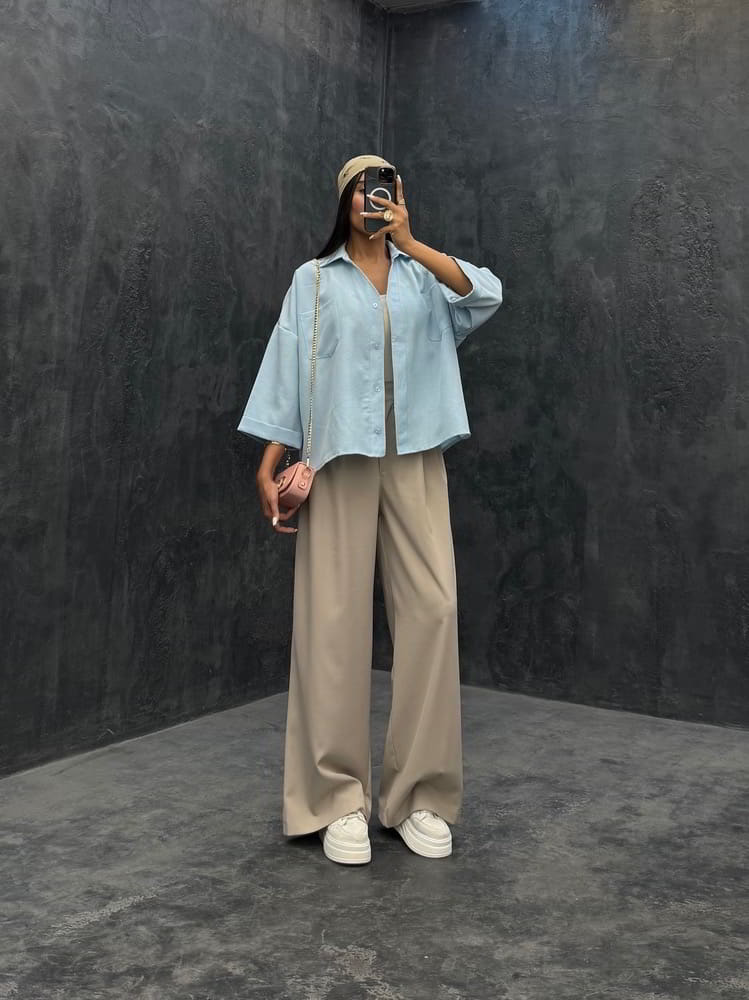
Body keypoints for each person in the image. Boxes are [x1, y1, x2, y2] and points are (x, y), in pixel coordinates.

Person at [237, 154, 504, 865]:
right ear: (343, 201)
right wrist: (269, 460)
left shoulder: (424, 276)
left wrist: (411, 242)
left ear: (399, 196)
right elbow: (287, 370)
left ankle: (419, 795)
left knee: (434, 610)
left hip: (415, 458)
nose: (371, 197)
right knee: (331, 622)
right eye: (360, 188)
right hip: (338, 460)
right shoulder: (314, 281)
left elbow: (485, 294)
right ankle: (335, 799)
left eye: (382, 186)